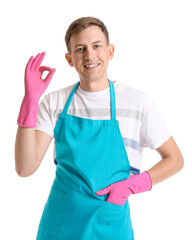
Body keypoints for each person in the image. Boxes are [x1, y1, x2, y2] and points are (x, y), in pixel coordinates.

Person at [15, 16, 184, 240]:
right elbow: (25, 168)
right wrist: (30, 102)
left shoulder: (137, 103)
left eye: (96, 46)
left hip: (111, 222)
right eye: (80, 49)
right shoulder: (54, 103)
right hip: (61, 223)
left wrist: (131, 186)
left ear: (110, 51)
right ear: (69, 58)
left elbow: (175, 159)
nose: (89, 55)